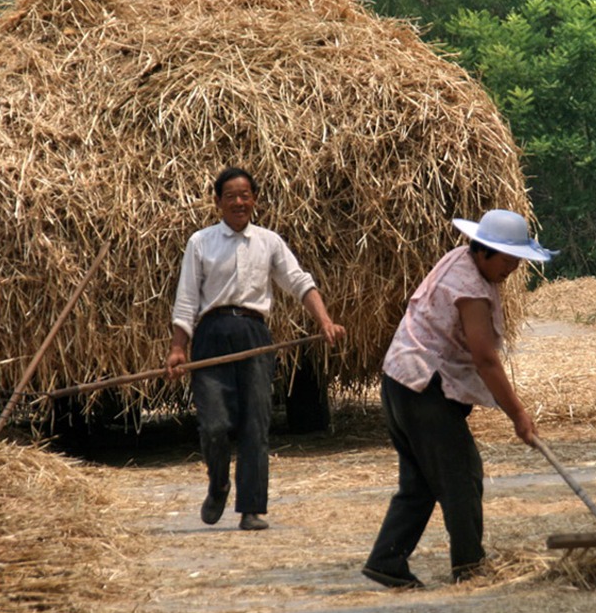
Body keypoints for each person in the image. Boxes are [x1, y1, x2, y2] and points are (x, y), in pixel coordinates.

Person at [363, 209, 554, 589]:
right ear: (482, 251)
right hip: (423, 386)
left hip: (400, 379)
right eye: (506, 258)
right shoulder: (471, 287)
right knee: (463, 475)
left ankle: (387, 561)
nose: (512, 268)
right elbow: (485, 358)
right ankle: (469, 565)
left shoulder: (458, 258)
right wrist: (517, 413)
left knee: (419, 483)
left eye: (517, 260)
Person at [165, 167, 346, 531]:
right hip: (212, 336)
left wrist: (324, 321)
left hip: (254, 336)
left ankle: (251, 508)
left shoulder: (268, 241)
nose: (238, 202)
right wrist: (178, 347)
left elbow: (299, 281)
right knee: (214, 426)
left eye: (245, 195)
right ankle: (218, 485)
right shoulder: (200, 242)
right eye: (230, 196)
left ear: (255, 200)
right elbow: (186, 300)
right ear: (217, 202)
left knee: (255, 424)